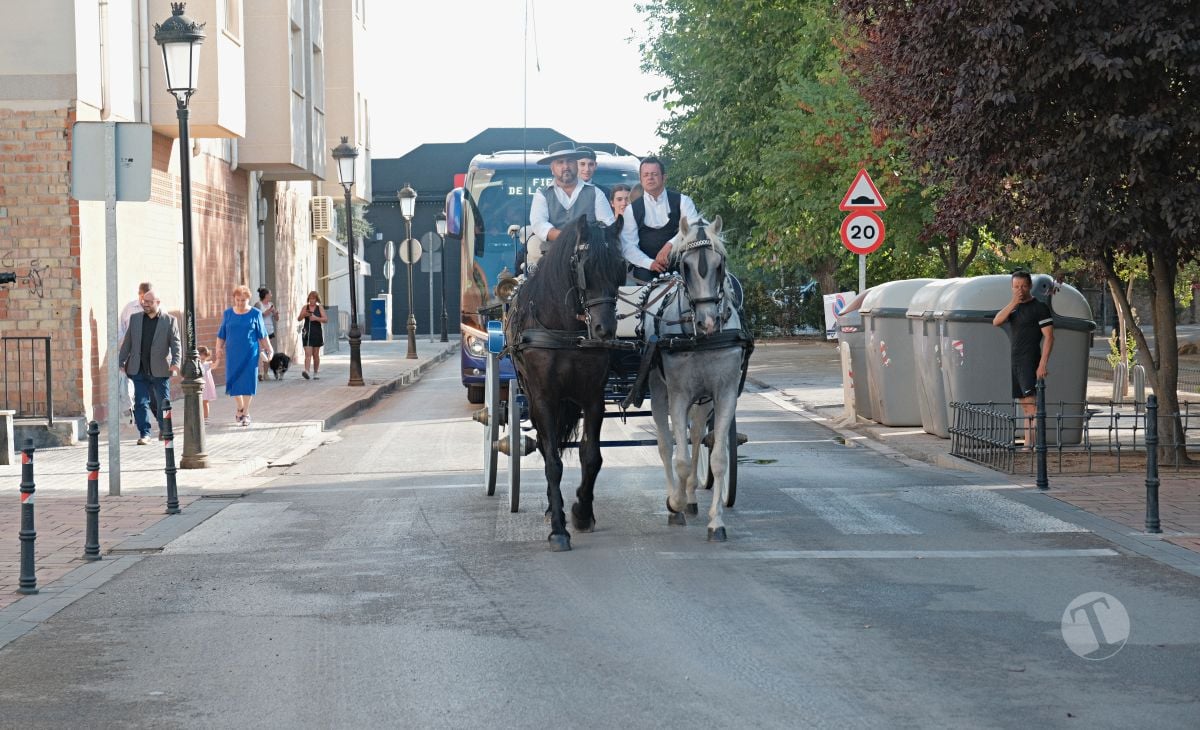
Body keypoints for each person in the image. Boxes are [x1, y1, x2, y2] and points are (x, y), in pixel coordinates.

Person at [992, 270, 1054, 450]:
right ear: (1012, 287)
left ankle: (1038, 445)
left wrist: (1042, 364)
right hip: (1016, 361)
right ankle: (1028, 444)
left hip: (1030, 359)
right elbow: (996, 321)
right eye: (1016, 286)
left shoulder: (1039, 307)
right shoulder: (1014, 307)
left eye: (1024, 286)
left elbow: (1049, 337)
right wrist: (1013, 302)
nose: (1020, 290)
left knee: (1032, 405)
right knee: (1025, 407)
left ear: (1030, 286)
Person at [619, 155, 702, 282]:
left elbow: (693, 227)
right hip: (646, 271)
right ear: (640, 179)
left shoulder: (683, 201)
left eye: (654, 174)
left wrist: (670, 245)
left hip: (680, 265)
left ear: (664, 177)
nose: (650, 178)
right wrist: (650, 263)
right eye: (646, 175)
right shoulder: (631, 210)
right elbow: (628, 246)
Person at [117, 289, 181, 445]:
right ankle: (145, 433)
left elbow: (176, 344)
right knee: (140, 401)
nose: (145, 305)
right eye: (144, 302)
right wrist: (120, 361)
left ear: (158, 303)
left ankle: (164, 430)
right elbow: (128, 342)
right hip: (138, 368)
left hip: (160, 369)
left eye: (149, 302)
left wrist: (175, 364)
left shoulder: (169, 320)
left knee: (162, 402)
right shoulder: (135, 319)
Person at [528, 140, 616, 244]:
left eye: (569, 161)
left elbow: (608, 225)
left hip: (589, 253)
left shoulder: (596, 193)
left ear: (576, 164)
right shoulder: (542, 194)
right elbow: (539, 224)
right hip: (552, 253)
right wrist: (568, 238)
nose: (566, 167)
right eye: (560, 162)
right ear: (552, 168)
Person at [215, 285, 272, 426]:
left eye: (243, 300)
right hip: (233, 354)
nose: (240, 303)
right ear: (234, 299)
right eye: (238, 300)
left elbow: (263, 335)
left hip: (250, 354)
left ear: (248, 299)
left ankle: (245, 413)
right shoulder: (228, 314)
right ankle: (240, 406)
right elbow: (221, 334)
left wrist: (269, 349)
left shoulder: (255, 314)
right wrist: (218, 348)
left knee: (248, 383)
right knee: (233, 382)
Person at [117, 281, 154, 422]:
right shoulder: (130, 308)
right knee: (131, 387)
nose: (145, 301)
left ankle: (161, 423)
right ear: (139, 295)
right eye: (143, 297)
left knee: (152, 392)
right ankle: (136, 417)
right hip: (132, 355)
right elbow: (121, 329)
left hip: (150, 356)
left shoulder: (158, 308)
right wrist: (123, 347)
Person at [297, 291, 328, 379]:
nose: (311, 300)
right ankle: (306, 371)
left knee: (315, 354)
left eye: (313, 298)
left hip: (316, 332)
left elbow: (325, 319)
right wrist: (304, 314)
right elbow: (299, 319)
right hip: (306, 332)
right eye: (310, 298)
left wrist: (316, 318)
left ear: (316, 299)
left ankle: (316, 372)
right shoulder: (305, 307)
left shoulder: (319, 308)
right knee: (308, 353)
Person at [254, 286, 279, 381]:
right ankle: (259, 372)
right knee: (260, 351)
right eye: (270, 293)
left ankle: (265, 373)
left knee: (268, 351)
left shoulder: (271, 304)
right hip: (260, 330)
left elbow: (276, 319)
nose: (271, 295)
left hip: (269, 330)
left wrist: (275, 313)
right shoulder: (258, 304)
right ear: (265, 295)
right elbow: (259, 316)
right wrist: (269, 311)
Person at [198, 345, 217, 424]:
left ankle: (206, 418)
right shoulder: (196, 364)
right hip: (198, 386)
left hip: (206, 386)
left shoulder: (208, 364)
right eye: (201, 355)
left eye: (204, 356)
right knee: (198, 403)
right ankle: (199, 418)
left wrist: (218, 359)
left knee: (205, 402)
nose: (202, 357)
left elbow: (214, 366)